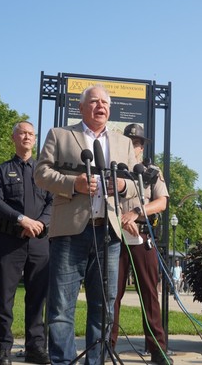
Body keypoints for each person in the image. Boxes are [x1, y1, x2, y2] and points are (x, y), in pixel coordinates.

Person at [34, 84, 138, 365]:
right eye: (93, 101)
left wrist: (122, 185)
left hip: (109, 234)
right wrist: (73, 184)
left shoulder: (123, 143)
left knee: (104, 308)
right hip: (70, 233)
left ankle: (96, 361)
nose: (100, 106)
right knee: (60, 308)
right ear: (81, 108)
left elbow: (135, 185)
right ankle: (63, 361)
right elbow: (41, 173)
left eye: (105, 102)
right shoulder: (61, 135)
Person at [0, 121, 53, 365]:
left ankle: (35, 348)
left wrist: (39, 224)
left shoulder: (43, 172)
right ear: (13, 137)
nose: (27, 137)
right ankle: (3, 349)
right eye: (22, 133)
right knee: (5, 298)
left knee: (38, 298)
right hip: (9, 241)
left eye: (31, 134)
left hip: (39, 242)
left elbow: (53, 201)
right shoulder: (2, 170)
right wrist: (22, 220)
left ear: (35, 140)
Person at [111, 124, 172, 365]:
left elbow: (161, 203)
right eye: (130, 141)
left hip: (143, 236)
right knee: (111, 295)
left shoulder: (152, 171)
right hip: (116, 235)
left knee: (149, 293)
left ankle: (157, 348)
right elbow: (104, 200)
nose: (134, 146)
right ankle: (108, 344)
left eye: (137, 143)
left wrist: (136, 213)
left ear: (142, 146)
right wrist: (122, 220)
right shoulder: (114, 169)